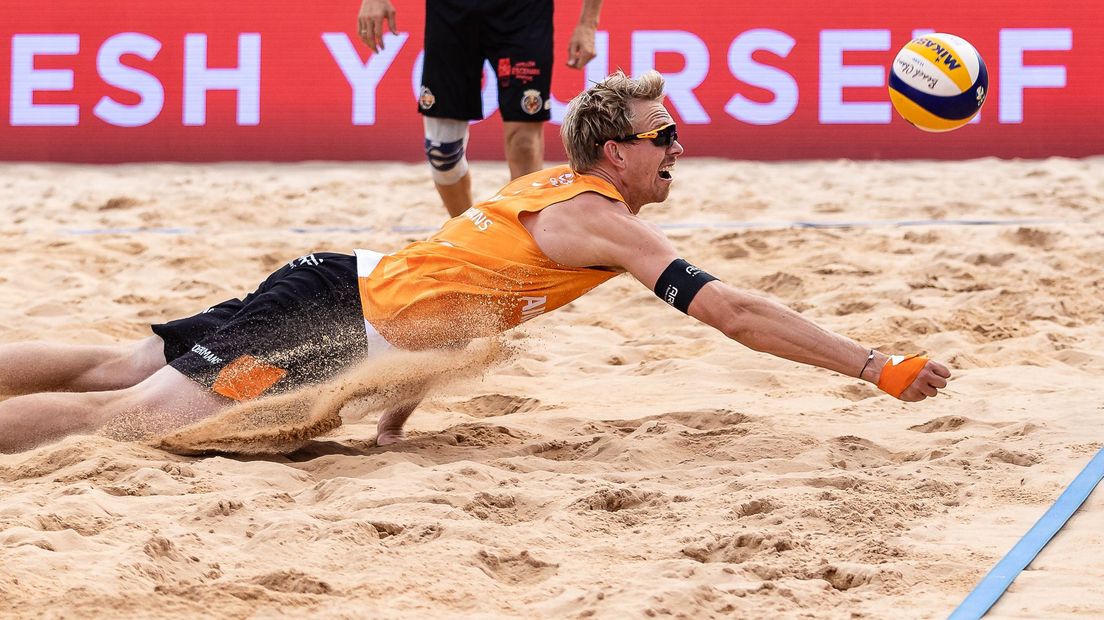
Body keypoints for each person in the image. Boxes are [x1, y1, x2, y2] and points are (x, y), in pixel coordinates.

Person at [0, 71, 951, 454]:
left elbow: (460, 310)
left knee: (114, 367)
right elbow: (733, 313)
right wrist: (873, 365)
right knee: (126, 421)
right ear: (614, 149)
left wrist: (391, 423)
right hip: (326, 321)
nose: (679, 149)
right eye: (665, 135)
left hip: (336, 284)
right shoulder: (599, 218)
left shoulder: (538, 202)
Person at [356, 0, 604, 217]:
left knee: (524, 144)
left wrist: (588, 24)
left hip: (523, 14)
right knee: (442, 152)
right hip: (451, 12)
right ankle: (468, 233)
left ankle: (523, 239)